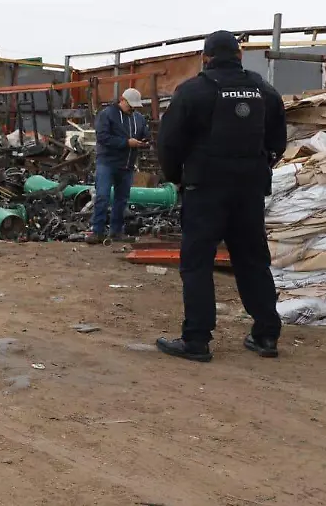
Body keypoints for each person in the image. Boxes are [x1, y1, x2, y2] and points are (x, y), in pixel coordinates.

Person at [155, 30, 286, 362]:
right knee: (253, 260)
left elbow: (169, 143)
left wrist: (176, 178)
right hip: (249, 190)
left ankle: (196, 340)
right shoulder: (265, 91)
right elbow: (278, 141)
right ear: (240, 57)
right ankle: (266, 335)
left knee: (197, 263)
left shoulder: (192, 92)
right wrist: (258, 166)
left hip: (205, 190)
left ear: (205, 57)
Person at [88, 87, 150, 244]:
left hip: (127, 165)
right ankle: (97, 232)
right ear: (122, 100)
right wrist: (126, 143)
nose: (132, 109)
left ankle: (116, 231)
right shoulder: (107, 115)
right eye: (130, 105)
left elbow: (145, 133)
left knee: (122, 199)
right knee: (102, 196)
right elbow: (102, 137)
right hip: (107, 163)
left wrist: (145, 141)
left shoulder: (139, 119)